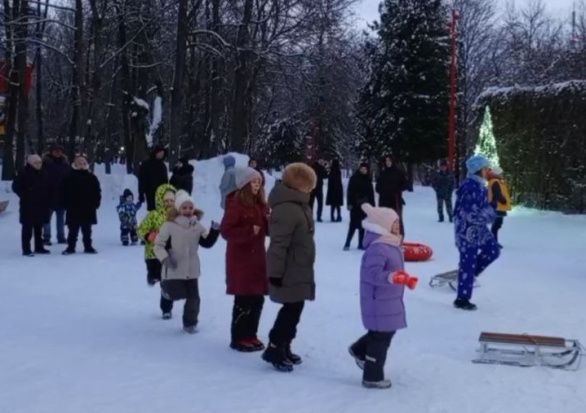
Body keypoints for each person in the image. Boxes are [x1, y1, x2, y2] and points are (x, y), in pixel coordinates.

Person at [262, 163, 317, 372]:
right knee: (291, 308)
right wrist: (274, 273)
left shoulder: (299, 205)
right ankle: (275, 347)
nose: (311, 190)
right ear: (299, 186)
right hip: (289, 268)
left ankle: (284, 345)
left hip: (299, 266)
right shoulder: (287, 208)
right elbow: (278, 244)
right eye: (308, 186)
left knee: (296, 308)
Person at [348, 204, 407, 389]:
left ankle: (359, 350)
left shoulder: (391, 243)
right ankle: (372, 376)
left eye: (398, 222)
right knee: (380, 336)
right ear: (383, 225)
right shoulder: (378, 247)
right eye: (393, 223)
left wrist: (402, 278)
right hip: (377, 299)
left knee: (384, 331)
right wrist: (391, 277)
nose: (397, 225)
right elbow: (372, 274)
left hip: (388, 298)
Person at [154, 190, 220, 334]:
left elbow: (207, 243)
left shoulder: (197, 225)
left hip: (192, 269)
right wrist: (165, 258)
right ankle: (166, 293)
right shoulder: (169, 225)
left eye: (190, 208)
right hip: (173, 266)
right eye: (184, 208)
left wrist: (215, 231)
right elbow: (158, 245)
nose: (188, 211)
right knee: (175, 293)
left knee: (194, 299)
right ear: (178, 209)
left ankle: (189, 324)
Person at [221, 167, 268, 352]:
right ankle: (239, 337)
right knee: (244, 299)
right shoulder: (236, 203)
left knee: (257, 299)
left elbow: (267, 228)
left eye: (259, 182)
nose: (257, 185)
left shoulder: (261, 204)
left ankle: (251, 334)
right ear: (245, 184)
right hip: (240, 259)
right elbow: (226, 230)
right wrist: (249, 232)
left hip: (257, 258)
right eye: (254, 182)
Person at [453, 155, 500, 310]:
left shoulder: (481, 186)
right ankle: (462, 299)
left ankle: (469, 274)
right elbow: (470, 214)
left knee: (493, 250)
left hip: (478, 228)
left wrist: (494, 205)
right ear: (479, 170)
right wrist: (492, 210)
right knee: (468, 262)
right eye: (486, 168)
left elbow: (484, 209)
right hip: (466, 231)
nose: (488, 170)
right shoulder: (469, 187)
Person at [137, 184, 177, 319]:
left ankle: (166, 308)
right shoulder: (153, 215)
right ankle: (153, 275)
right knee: (157, 273)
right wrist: (148, 235)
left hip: (169, 254)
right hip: (153, 253)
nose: (169, 203)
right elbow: (140, 229)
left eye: (172, 200)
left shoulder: (177, 216)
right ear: (160, 201)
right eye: (166, 201)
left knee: (167, 283)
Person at [12, 155, 51, 256]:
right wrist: (25, 194)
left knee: (39, 228)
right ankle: (26, 249)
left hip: (41, 204)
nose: (38, 164)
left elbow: (48, 187)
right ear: (30, 163)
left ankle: (39, 247)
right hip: (28, 205)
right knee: (27, 229)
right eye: (35, 163)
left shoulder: (44, 173)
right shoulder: (23, 173)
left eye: (39, 162)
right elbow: (16, 186)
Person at [62, 155, 101, 255]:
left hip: (88, 207)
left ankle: (88, 246)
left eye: (84, 163)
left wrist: (96, 203)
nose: (82, 165)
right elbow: (63, 191)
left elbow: (97, 191)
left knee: (87, 229)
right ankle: (71, 247)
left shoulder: (92, 177)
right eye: (79, 163)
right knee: (72, 229)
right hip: (73, 207)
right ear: (75, 164)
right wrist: (65, 203)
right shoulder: (69, 177)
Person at [42, 144, 70, 245]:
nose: (58, 152)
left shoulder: (65, 164)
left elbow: (69, 179)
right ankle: (46, 237)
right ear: (51, 152)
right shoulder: (44, 163)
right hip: (48, 195)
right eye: (55, 151)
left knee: (60, 218)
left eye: (60, 151)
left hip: (62, 195)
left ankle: (61, 237)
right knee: (46, 218)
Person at [344, 163, 375, 250]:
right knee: (352, 225)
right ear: (360, 169)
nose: (364, 170)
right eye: (362, 169)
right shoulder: (354, 178)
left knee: (363, 225)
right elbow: (349, 192)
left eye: (365, 169)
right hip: (355, 205)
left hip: (365, 205)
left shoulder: (368, 180)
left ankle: (360, 243)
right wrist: (349, 204)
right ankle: (347, 243)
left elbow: (371, 194)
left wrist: (372, 207)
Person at [376, 156, 407, 235]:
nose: (388, 162)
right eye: (386, 161)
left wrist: (397, 190)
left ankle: (399, 238)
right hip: (384, 201)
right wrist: (382, 191)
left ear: (393, 161)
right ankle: (386, 239)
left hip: (395, 200)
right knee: (385, 221)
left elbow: (405, 184)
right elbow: (377, 187)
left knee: (396, 221)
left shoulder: (398, 172)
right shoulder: (383, 173)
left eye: (389, 160)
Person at [138, 145, 168, 211]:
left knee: (161, 212)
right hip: (150, 193)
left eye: (163, 154)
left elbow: (165, 181)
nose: (161, 155)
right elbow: (142, 180)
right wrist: (141, 193)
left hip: (161, 193)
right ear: (156, 153)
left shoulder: (163, 166)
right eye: (160, 153)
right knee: (153, 212)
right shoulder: (146, 164)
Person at [487, 166, 511, 247]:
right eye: (501, 173)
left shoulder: (495, 181)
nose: (502, 174)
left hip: (498, 206)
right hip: (497, 206)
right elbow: (497, 193)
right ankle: (493, 242)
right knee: (496, 225)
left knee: (497, 224)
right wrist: (503, 200)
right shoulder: (495, 182)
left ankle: (493, 242)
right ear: (497, 173)